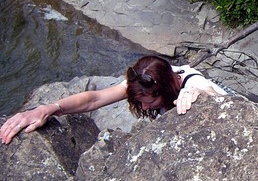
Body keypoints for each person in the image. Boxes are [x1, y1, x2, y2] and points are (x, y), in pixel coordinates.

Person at [1, 55, 227, 145]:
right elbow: (94, 98)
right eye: (141, 103)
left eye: (149, 102)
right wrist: (49, 108)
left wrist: (197, 95)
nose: (145, 107)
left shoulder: (191, 83)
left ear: (167, 88)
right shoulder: (147, 82)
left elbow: (206, 90)